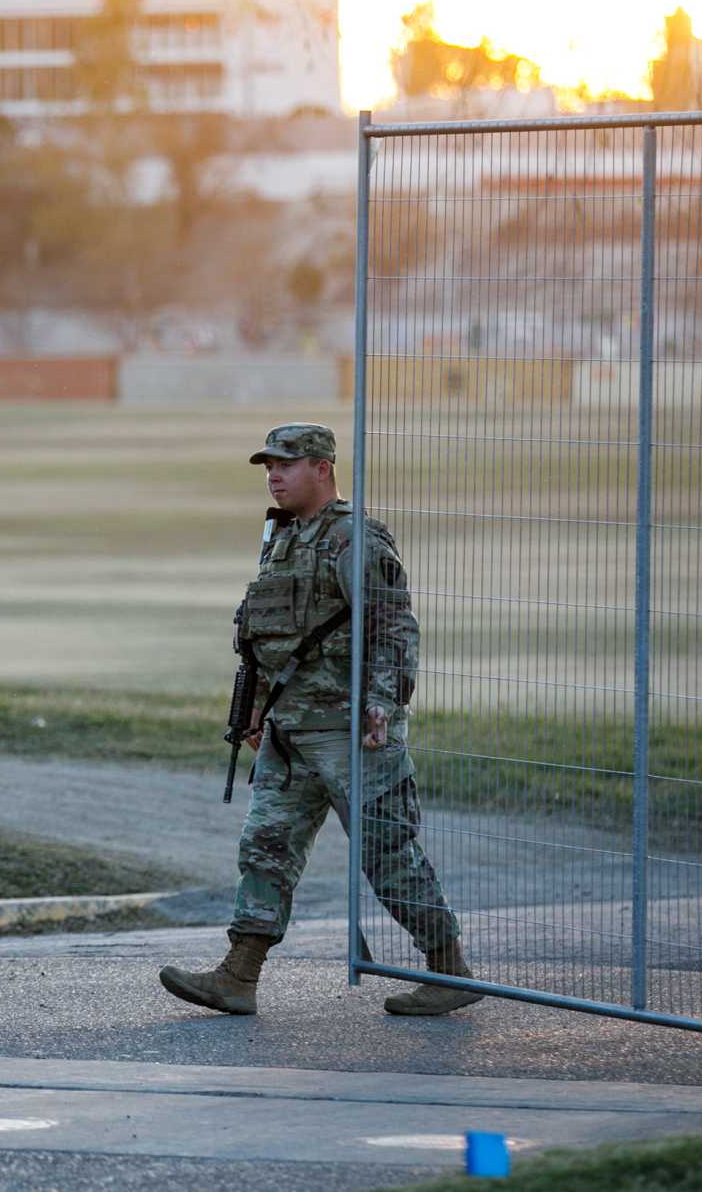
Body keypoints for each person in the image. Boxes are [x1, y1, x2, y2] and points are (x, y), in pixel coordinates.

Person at [158, 423, 481, 1017]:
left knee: (388, 853)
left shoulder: (352, 539)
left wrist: (383, 701)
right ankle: (239, 974)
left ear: (322, 468)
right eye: (268, 467)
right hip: (290, 731)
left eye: (286, 464)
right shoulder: (282, 539)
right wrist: (255, 708)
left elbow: (392, 625)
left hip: (351, 731)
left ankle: (449, 968)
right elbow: (264, 634)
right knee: (266, 847)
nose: (274, 475)